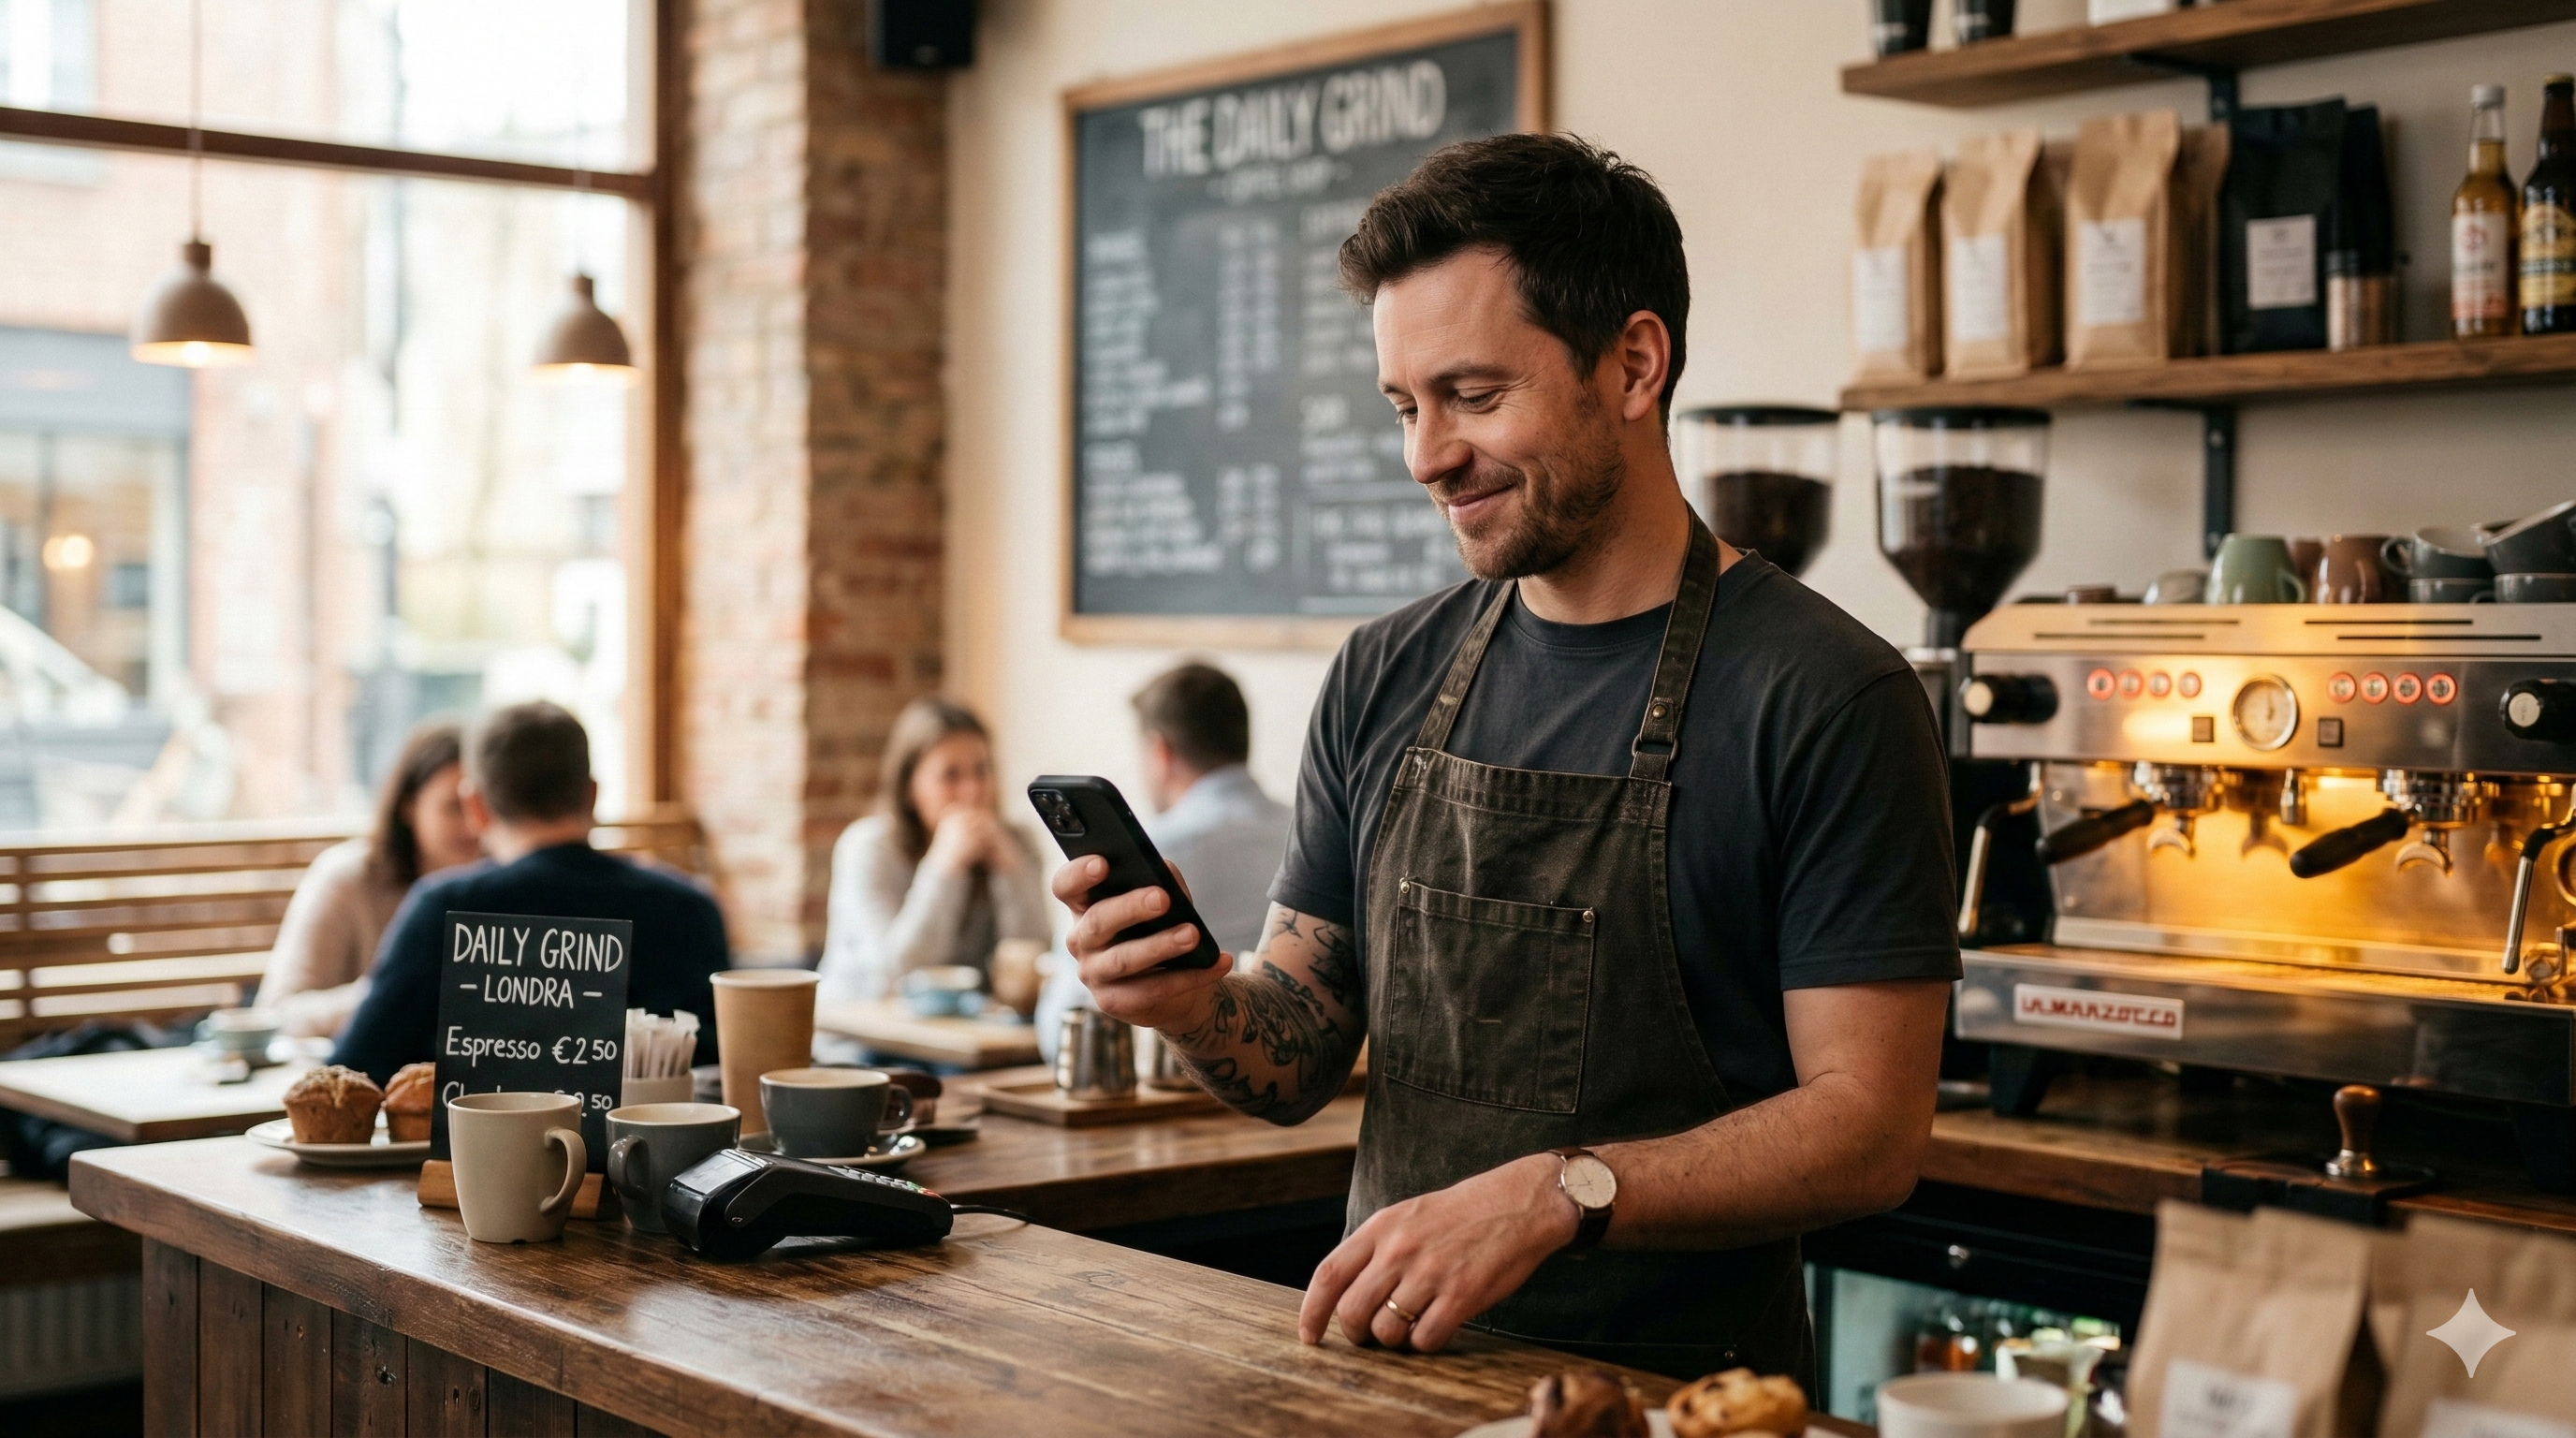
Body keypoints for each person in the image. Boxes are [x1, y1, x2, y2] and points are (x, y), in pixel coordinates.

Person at [1055, 134, 1959, 1382]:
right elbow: (1295, 1055)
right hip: (1388, 1387)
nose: (1427, 455)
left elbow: (1871, 1134)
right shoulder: (1382, 675)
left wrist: (1562, 1191)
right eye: (1404, 407)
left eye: (1474, 397)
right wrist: (1189, 1001)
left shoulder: (1827, 696)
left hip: (1681, 1401)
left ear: (1635, 365)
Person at [333, 700, 728, 1081]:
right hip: (662, 1150)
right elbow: (716, 1066)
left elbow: (354, 1069)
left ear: (476, 807)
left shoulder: (446, 908)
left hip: (474, 1151)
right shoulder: (689, 907)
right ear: (592, 796)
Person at [1035, 663, 1293, 1056]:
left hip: (1162, 1086)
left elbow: (1062, 1034)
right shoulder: (1308, 835)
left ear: (1160, 751)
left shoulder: (1140, 853)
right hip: (1295, 1076)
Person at [816, 697, 1050, 1005]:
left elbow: (1032, 963)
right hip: (862, 1036)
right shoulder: (867, 846)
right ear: (910, 787)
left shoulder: (1018, 842)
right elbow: (894, 976)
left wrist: (1011, 872)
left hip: (960, 1040)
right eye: (950, 776)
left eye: (981, 771)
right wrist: (943, 869)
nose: (972, 791)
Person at [256, 720, 482, 1038]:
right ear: (408, 805)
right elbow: (277, 1013)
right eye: (453, 808)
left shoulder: (505, 883)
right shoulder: (345, 879)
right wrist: (386, 995)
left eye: (483, 806)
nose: (473, 825)